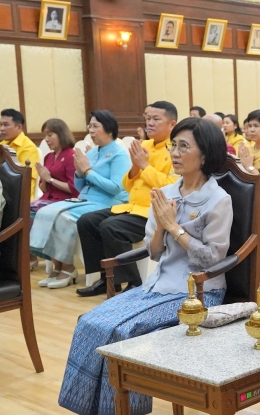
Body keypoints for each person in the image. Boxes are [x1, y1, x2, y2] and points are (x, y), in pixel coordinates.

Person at [55, 118, 231, 415]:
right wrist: (160, 228)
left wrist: (173, 226)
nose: (175, 153)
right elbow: (153, 253)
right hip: (159, 283)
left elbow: (212, 257)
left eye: (184, 146)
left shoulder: (217, 199)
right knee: (91, 321)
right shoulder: (164, 193)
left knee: (122, 330)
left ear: (205, 154)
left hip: (196, 293)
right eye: (173, 145)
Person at [76, 101, 178, 297]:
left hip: (154, 210)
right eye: (148, 118)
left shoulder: (175, 149)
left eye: (156, 119)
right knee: (87, 221)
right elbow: (127, 185)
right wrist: (136, 167)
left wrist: (144, 166)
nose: (150, 123)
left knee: (111, 227)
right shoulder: (144, 145)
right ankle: (107, 280)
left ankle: (133, 282)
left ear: (172, 124)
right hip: (131, 207)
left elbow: (170, 186)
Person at [30, 111, 131, 289]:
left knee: (63, 217)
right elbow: (78, 185)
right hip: (84, 199)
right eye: (89, 127)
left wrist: (87, 172)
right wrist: (79, 172)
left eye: (95, 126)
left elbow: (116, 187)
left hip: (106, 202)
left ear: (109, 129)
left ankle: (68, 268)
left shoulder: (119, 154)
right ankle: (56, 265)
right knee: (45, 211)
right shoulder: (91, 154)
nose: (91, 131)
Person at [30, 119, 77, 273]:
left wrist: (50, 178)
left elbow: (73, 188)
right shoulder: (49, 157)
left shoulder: (71, 155)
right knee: (23, 210)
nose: (47, 140)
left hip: (66, 200)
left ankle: (59, 264)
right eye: (45, 136)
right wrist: (43, 179)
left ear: (61, 134)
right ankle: (39, 256)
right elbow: (45, 188)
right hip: (48, 198)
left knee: (35, 213)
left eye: (50, 135)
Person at [0, 109, 39, 198]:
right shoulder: (2, 144)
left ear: (19, 127)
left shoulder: (28, 147)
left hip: (19, 197)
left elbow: (24, 180)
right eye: (0, 125)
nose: (1, 128)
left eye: (6, 125)